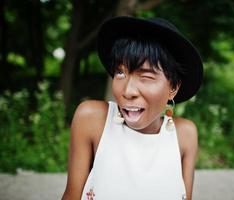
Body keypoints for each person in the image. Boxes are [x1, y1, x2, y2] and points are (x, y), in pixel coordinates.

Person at [62, 16, 203, 200]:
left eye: (145, 76)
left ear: (173, 88)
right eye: (120, 72)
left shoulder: (185, 135)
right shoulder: (92, 119)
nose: (127, 91)